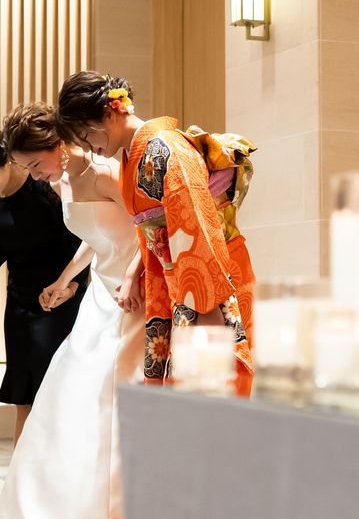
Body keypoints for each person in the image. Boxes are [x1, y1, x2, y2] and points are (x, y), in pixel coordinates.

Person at [55, 71, 255, 396]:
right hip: (179, 283)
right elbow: (152, 231)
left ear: (110, 111)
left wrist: (208, 313)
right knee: (182, 393)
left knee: (211, 389)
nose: (90, 147)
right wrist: (135, 275)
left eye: (87, 135)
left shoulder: (166, 148)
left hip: (207, 282)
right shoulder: (134, 154)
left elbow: (194, 227)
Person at [0, 102, 145, 519]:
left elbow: (150, 227)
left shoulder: (105, 172)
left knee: (113, 388)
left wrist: (132, 275)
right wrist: (65, 279)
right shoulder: (63, 181)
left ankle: (119, 494)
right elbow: (95, 238)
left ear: (56, 144)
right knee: (73, 384)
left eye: (34, 164)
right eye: (25, 168)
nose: (33, 175)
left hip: (132, 291)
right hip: (99, 292)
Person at [0, 141, 86, 445]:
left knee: (55, 391)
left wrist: (73, 286)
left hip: (60, 300)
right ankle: (23, 468)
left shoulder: (44, 188)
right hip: (19, 306)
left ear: (5, 163)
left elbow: (82, 241)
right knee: (24, 395)